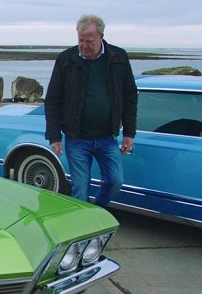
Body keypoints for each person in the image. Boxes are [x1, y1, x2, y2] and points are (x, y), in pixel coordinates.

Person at [44, 14, 138, 207]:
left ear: (101, 36)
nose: (84, 46)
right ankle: (82, 228)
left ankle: (96, 211)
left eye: (89, 41)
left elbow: (129, 96)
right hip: (76, 138)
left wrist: (129, 132)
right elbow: (53, 100)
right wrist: (54, 136)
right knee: (80, 188)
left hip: (106, 137)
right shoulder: (66, 59)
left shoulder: (118, 57)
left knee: (115, 181)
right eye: (81, 40)